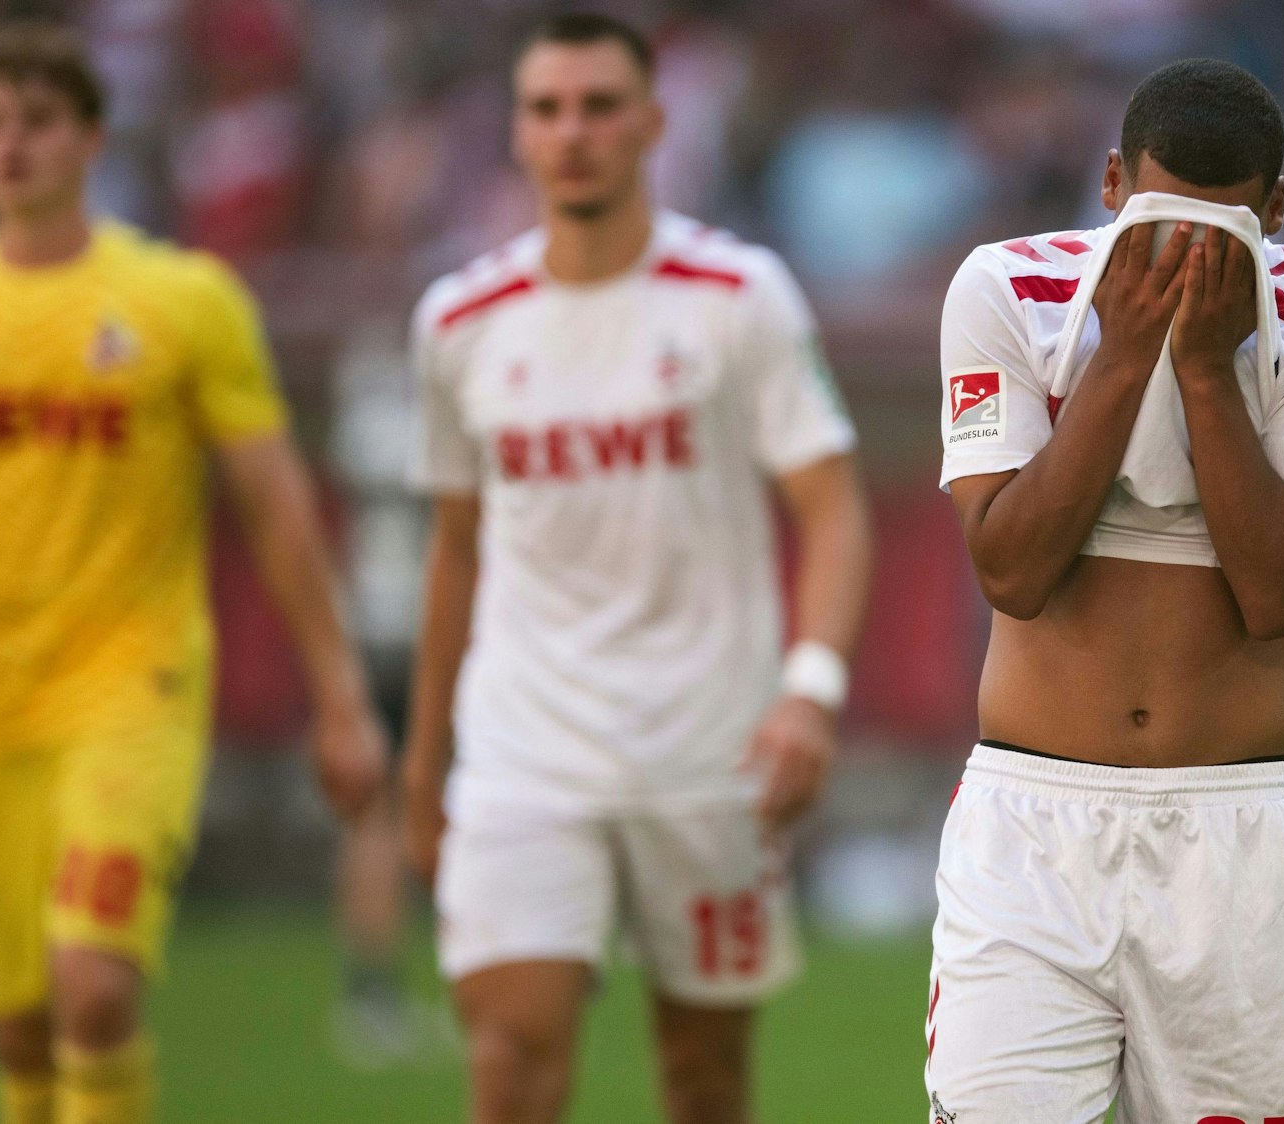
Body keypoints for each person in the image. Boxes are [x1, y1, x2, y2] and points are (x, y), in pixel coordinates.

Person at [0, 21, 387, 1124]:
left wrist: (340, 693)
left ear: (90, 137)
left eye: (35, 122)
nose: (10, 147)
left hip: (133, 686)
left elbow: (275, 506)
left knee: (94, 985)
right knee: (21, 1026)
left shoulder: (182, 302)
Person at [399, 13, 872, 1124]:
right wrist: (423, 766)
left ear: (653, 121)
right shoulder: (458, 323)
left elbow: (833, 502)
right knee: (511, 1065)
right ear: (515, 132)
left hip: (707, 753)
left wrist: (810, 693)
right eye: (548, 108)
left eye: (601, 106)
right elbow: (456, 551)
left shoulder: (737, 295)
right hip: (526, 752)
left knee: (704, 1080)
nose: (574, 133)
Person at [928, 58, 1284, 1124]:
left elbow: (1280, 595)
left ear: (1275, 210)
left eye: (1222, 232)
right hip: (1030, 829)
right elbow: (1010, 567)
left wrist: (1201, 367)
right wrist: (1127, 348)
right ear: (1109, 184)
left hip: (1231, 834)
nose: (1188, 258)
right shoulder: (1007, 289)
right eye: (1158, 219)